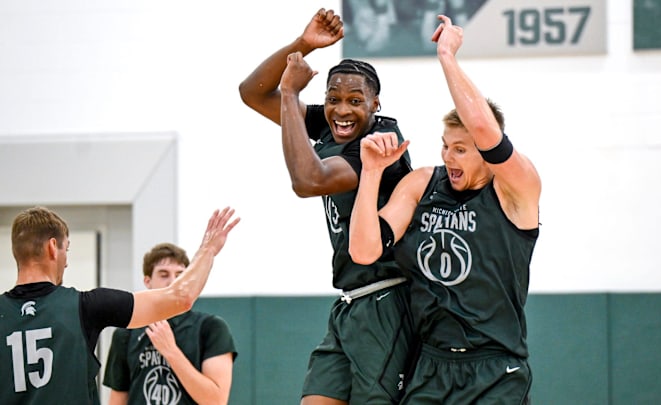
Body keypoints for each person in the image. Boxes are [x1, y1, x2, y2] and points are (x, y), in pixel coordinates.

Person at [348, 14, 541, 404]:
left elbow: (487, 133)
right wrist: (370, 173)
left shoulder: (517, 189)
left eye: (460, 148)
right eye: (444, 145)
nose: (447, 156)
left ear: (486, 155)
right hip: (431, 366)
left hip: (495, 368)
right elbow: (364, 251)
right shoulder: (423, 183)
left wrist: (447, 57)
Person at [239, 8, 415, 405]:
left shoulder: (380, 142)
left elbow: (308, 181)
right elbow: (251, 93)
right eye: (332, 99)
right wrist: (303, 46)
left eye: (355, 100)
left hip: (389, 299)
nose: (341, 110)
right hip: (350, 303)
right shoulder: (334, 124)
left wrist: (289, 93)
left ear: (375, 104)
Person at [0, 206, 239, 405]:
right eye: (67, 250)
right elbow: (181, 297)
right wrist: (208, 250)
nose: (67, 262)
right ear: (53, 247)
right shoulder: (86, 306)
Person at [103, 242, 237, 404]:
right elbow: (117, 400)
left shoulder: (210, 328)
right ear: (147, 281)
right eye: (164, 274)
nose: (173, 282)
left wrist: (171, 351)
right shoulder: (126, 334)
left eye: (180, 275)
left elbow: (216, 401)